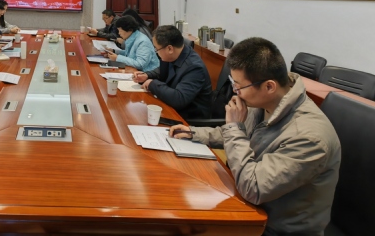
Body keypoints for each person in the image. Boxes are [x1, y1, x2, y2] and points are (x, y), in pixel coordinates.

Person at [169, 37, 341, 236]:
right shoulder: (266, 102)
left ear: (269, 86)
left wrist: (233, 127)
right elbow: (238, 134)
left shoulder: (309, 137)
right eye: (233, 83)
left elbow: (254, 188)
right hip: (249, 204)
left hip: (274, 228)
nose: (235, 92)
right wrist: (194, 133)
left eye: (239, 86)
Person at [133, 25, 212, 119]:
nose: (156, 52)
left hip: (189, 118)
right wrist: (147, 75)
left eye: (157, 49)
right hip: (172, 109)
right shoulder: (175, 55)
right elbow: (162, 70)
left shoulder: (194, 67)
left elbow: (179, 99)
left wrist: (152, 84)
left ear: (169, 49)